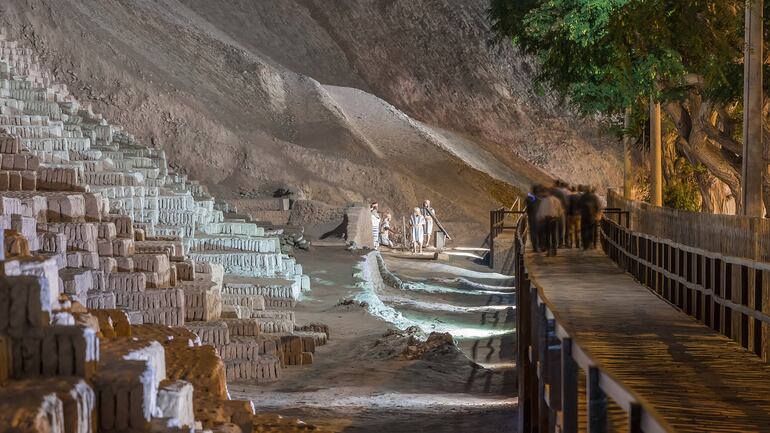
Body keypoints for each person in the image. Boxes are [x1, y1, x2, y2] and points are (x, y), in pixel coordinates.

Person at [535, 189, 564, 257]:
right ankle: (554, 250)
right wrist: (557, 215)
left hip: (546, 220)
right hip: (554, 219)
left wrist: (539, 219)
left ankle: (549, 251)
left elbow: (541, 211)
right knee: (553, 235)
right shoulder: (556, 200)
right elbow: (560, 210)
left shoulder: (544, 201)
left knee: (547, 236)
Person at [525, 185, 542, 251]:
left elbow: (527, 206)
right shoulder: (540, 199)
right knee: (540, 233)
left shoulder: (529, 198)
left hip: (532, 218)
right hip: (540, 218)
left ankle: (535, 247)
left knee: (533, 233)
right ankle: (540, 246)